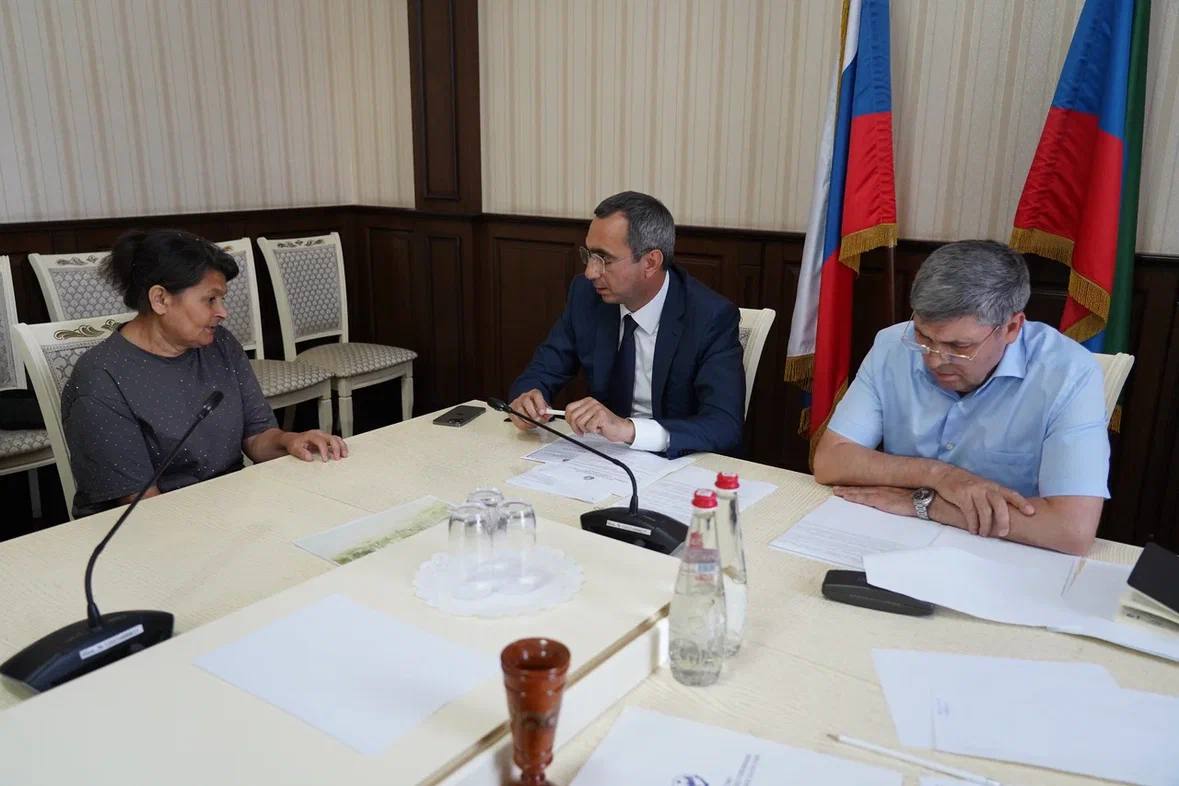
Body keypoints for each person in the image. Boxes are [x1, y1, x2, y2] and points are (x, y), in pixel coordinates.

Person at [813, 240, 1109, 555]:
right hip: (895, 539)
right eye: (923, 337)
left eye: (959, 347)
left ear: (1011, 327)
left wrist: (926, 504)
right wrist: (939, 476)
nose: (935, 359)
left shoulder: (1070, 373)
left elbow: (1072, 530)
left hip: (1006, 554)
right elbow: (830, 460)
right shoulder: (891, 345)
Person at [62, 229, 347, 518]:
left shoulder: (220, 344)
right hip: (150, 524)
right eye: (210, 300)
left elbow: (258, 435)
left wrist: (289, 441)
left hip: (227, 505)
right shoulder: (101, 378)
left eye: (222, 299)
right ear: (160, 299)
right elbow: (142, 506)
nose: (223, 312)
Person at [508, 191, 744, 459]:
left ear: (650, 262)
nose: (590, 272)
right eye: (589, 255)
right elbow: (543, 369)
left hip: (677, 461)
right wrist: (528, 399)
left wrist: (629, 430)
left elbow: (724, 424)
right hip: (600, 459)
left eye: (604, 260)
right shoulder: (586, 296)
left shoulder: (710, 317)